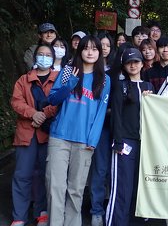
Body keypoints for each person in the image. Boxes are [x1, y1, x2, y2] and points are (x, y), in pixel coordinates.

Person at [45, 35, 111, 226]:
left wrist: (93, 140)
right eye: (86, 48)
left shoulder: (104, 80)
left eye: (94, 49)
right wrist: (70, 84)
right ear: (80, 50)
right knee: (55, 186)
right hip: (59, 138)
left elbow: (100, 114)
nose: (90, 52)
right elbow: (53, 100)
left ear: (99, 53)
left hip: (84, 141)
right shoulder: (67, 71)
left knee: (76, 189)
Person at [10, 44, 59, 226]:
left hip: (49, 134)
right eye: (41, 54)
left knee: (44, 175)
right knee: (22, 174)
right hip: (26, 133)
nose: (44, 57)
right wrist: (33, 113)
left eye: (48, 55)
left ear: (53, 59)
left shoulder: (59, 78)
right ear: (35, 57)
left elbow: (61, 100)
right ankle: (19, 216)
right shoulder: (24, 80)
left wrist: (43, 114)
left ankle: (42, 212)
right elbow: (16, 101)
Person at [106, 48, 153, 226]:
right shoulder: (120, 85)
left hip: (145, 143)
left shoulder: (149, 87)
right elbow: (116, 115)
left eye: (136, 62)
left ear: (142, 63)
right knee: (121, 187)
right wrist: (117, 141)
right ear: (124, 66)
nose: (133, 65)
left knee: (138, 186)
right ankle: (116, 222)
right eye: (129, 62)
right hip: (124, 141)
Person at [88, 33, 116, 226]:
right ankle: (93, 208)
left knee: (102, 169)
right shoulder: (85, 70)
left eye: (107, 45)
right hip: (85, 124)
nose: (104, 48)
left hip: (108, 126)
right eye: (101, 45)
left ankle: (102, 208)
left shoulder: (115, 71)